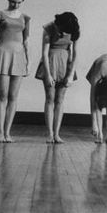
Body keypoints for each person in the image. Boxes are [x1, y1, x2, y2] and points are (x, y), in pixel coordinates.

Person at [0, 0, 30, 143]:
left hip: (19, 56)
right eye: (13, 2)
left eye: (19, 2)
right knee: (2, 95)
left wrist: (29, 60)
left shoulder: (25, 17)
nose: (16, 5)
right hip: (3, 53)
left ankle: (8, 132)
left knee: (13, 96)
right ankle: (0, 132)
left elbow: (26, 40)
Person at [35, 12, 80, 143]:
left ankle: (57, 134)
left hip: (65, 63)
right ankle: (49, 134)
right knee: (50, 98)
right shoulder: (49, 27)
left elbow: (76, 53)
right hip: (50, 62)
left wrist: (71, 74)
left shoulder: (74, 30)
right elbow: (44, 52)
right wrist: (48, 75)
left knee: (60, 99)